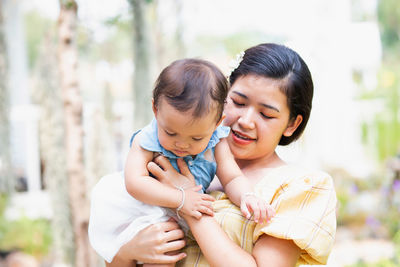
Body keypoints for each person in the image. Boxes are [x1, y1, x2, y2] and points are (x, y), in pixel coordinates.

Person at [106, 43, 337, 267]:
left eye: (266, 114)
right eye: (237, 102)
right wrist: (128, 251)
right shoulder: (173, 155)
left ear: (292, 124)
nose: (245, 121)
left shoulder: (299, 187)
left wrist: (189, 204)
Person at [88, 58, 274, 266]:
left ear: (217, 123)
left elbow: (232, 177)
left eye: (196, 138)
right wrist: (181, 198)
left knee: (172, 246)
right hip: (144, 205)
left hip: (181, 208)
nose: (181, 144)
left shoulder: (217, 140)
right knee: (165, 251)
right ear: (156, 110)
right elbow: (135, 182)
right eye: (170, 132)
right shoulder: (147, 139)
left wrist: (247, 196)